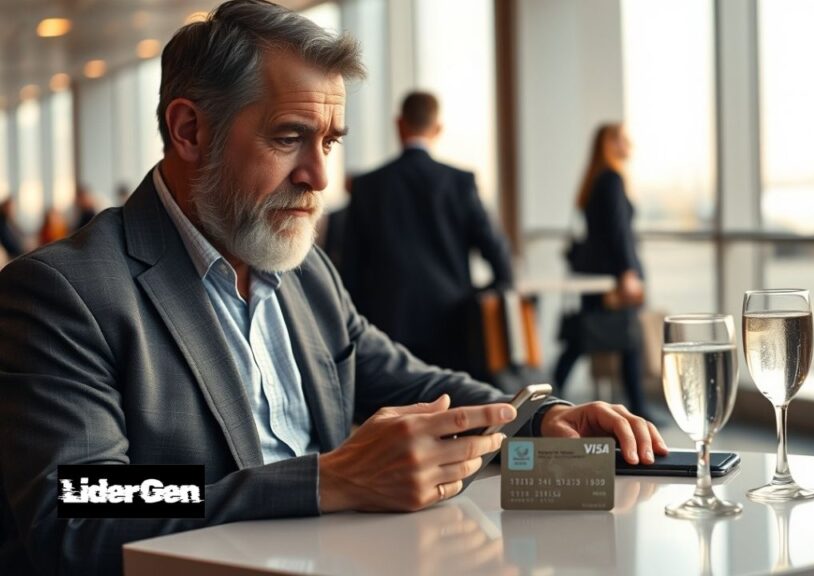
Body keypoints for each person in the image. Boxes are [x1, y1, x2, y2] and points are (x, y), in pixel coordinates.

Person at [0, 3, 666, 575]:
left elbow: (409, 384)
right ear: (189, 131)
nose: (319, 176)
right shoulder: (65, 293)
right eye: (290, 138)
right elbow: (85, 503)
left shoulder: (302, 270)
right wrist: (324, 481)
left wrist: (543, 420)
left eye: (330, 142)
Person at [339, 92, 514, 374]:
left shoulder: (368, 185)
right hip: (452, 319)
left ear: (399, 124)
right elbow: (496, 250)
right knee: (451, 403)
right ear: (438, 128)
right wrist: (487, 292)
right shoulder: (460, 182)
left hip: (385, 323)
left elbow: (351, 264)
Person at [552, 123, 651, 419]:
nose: (629, 144)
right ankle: (639, 408)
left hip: (596, 275)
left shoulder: (595, 179)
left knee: (585, 338)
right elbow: (618, 230)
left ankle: (548, 390)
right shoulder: (611, 179)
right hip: (613, 277)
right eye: (623, 139)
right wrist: (628, 271)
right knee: (624, 340)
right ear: (610, 143)